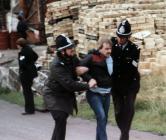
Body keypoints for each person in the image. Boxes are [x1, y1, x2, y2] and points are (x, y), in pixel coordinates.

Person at [42, 34, 94, 140]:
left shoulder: (72, 57)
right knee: (60, 118)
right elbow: (70, 84)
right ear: (62, 51)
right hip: (53, 95)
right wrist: (88, 86)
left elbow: (79, 70)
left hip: (64, 95)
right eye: (69, 48)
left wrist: (90, 79)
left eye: (72, 47)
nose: (72, 49)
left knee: (61, 122)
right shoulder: (56, 65)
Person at [111, 20, 141, 140]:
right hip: (116, 84)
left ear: (128, 37)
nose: (120, 39)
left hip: (130, 84)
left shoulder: (135, 49)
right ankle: (124, 131)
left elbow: (132, 69)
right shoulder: (112, 46)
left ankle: (124, 135)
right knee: (118, 112)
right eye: (119, 36)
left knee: (129, 110)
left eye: (123, 37)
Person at [80, 37, 113, 140]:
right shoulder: (91, 57)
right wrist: (89, 79)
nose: (109, 51)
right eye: (106, 49)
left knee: (103, 119)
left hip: (107, 94)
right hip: (94, 94)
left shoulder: (111, 59)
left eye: (110, 48)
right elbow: (79, 69)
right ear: (100, 48)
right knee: (102, 117)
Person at [17, 38, 38, 115]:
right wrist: (31, 63)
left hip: (25, 74)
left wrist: (26, 66)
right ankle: (31, 108)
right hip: (32, 73)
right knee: (29, 91)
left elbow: (22, 63)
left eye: (18, 45)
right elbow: (36, 56)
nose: (17, 46)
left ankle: (29, 110)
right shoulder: (29, 49)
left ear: (20, 45)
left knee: (27, 92)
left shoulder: (23, 52)